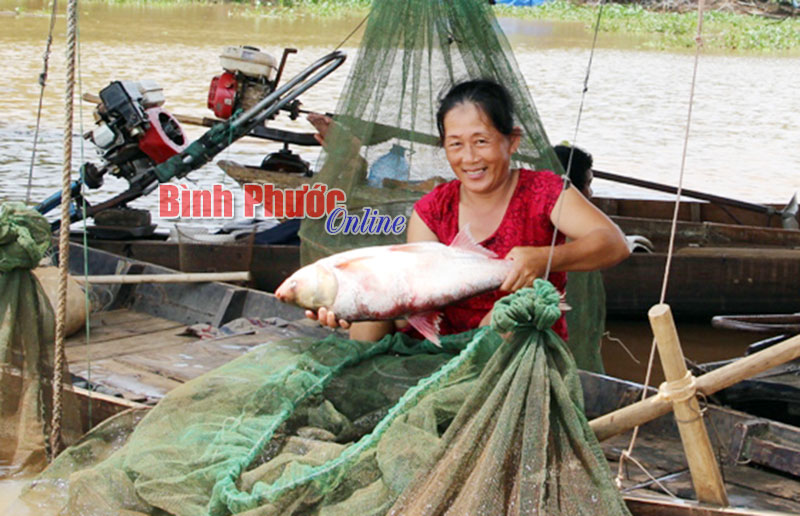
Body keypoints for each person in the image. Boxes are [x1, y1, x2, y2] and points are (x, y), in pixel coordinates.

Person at [308, 79, 630, 342]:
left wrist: (542, 259)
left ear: (511, 141)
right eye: (456, 144)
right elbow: (414, 296)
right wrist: (354, 304)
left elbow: (613, 244)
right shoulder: (432, 210)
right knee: (366, 324)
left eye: (481, 141)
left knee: (504, 319)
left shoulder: (544, 191)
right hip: (442, 339)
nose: (469, 158)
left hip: (516, 342)